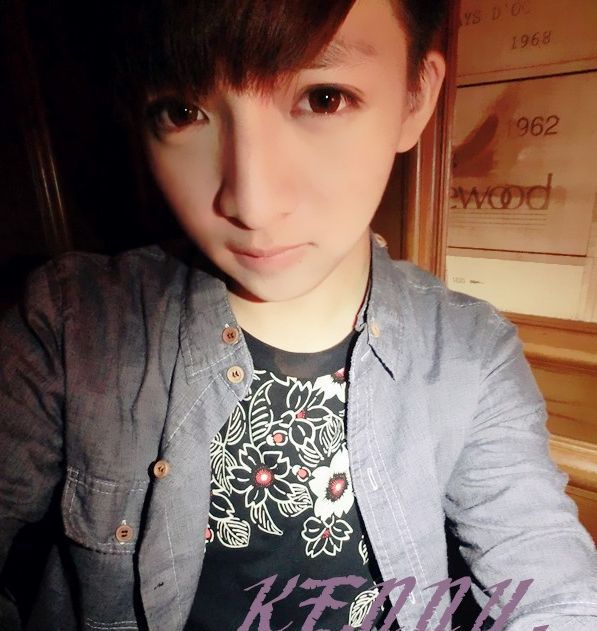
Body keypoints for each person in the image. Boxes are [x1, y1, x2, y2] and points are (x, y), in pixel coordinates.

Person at [1, 0, 596, 629]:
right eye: (183, 112)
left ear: (416, 97)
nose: (252, 203)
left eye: (323, 99)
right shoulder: (70, 324)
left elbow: (550, 578)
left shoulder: (470, 350)